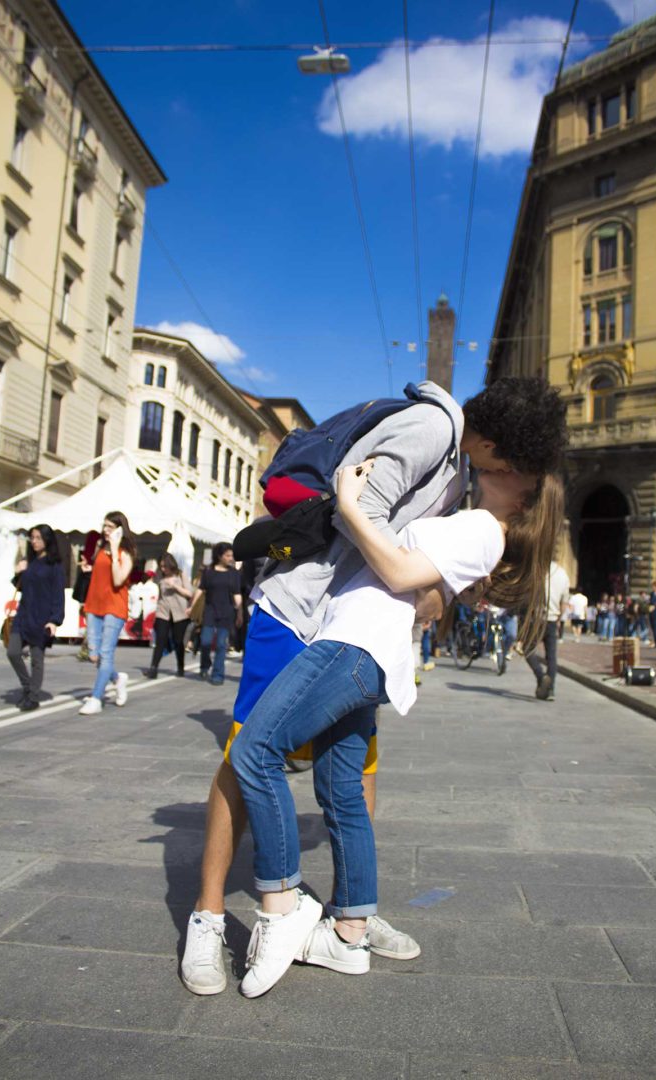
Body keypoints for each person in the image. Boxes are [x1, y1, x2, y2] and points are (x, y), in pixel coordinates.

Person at [179, 376, 569, 996]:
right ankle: (211, 915)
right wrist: (420, 581)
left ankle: (349, 918)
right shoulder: (434, 432)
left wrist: (434, 587)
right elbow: (357, 511)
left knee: (353, 777)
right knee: (244, 757)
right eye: (516, 460)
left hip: (352, 631)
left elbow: (413, 552)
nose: (516, 472)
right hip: (303, 607)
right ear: (495, 444)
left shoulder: (465, 474)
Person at [79, 512, 136, 716]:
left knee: (106, 653)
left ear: (120, 529)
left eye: (110, 527)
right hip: (94, 605)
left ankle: (96, 698)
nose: (105, 531)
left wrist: (114, 548)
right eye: (104, 526)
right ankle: (117, 678)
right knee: (94, 656)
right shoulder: (100, 548)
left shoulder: (126, 552)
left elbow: (119, 579)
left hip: (114, 607)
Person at [7, 524, 65, 711]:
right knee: (13, 652)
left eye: (38, 538)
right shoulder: (30, 561)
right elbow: (22, 586)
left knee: (36, 659)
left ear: (47, 540)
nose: (34, 541)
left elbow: (58, 594)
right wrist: (18, 573)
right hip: (23, 615)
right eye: (32, 538)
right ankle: (27, 687)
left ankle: (33, 697)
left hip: (41, 617)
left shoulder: (54, 565)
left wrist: (55, 620)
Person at [187, 543, 243, 685]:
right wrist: (191, 606)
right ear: (219, 556)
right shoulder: (208, 572)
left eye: (232, 555)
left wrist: (240, 612)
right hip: (210, 610)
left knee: (221, 645)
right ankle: (205, 666)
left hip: (227, 612)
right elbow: (200, 590)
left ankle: (218, 674)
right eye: (228, 555)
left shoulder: (234, 574)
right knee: (205, 642)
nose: (231, 558)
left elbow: (237, 594)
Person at [525, 559, 570, 701]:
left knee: (527, 649)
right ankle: (550, 690)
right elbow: (564, 602)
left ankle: (541, 676)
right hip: (552, 619)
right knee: (551, 656)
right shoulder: (563, 574)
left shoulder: (536, 570)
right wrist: (558, 619)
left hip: (537, 619)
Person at [147, 553, 193, 678]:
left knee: (178, 641)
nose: (163, 569)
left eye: (165, 566)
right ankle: (153, 668)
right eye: (161, 567)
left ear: (170, 565)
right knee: (160, 640)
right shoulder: (160, 577)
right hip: (163, 612)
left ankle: (180, 666)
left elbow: (189, 593)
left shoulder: (180, 575)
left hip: (180, 613)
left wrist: (175, 586)